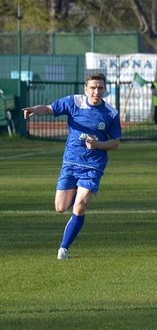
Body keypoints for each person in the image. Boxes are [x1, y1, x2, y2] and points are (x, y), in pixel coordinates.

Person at [22, 73, 121, 259]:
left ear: (105, 89)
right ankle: (77, 191)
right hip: (70, 162)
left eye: (100, 88)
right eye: (93, 88)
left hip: (93, 165)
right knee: (60, 207)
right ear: (86, 89)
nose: (96, 91)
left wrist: (98, 144)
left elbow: (115, 142)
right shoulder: (74, 102)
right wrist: (34, 109)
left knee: (80, 205)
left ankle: (63, 248)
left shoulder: (111, 113)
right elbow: (50, 108)